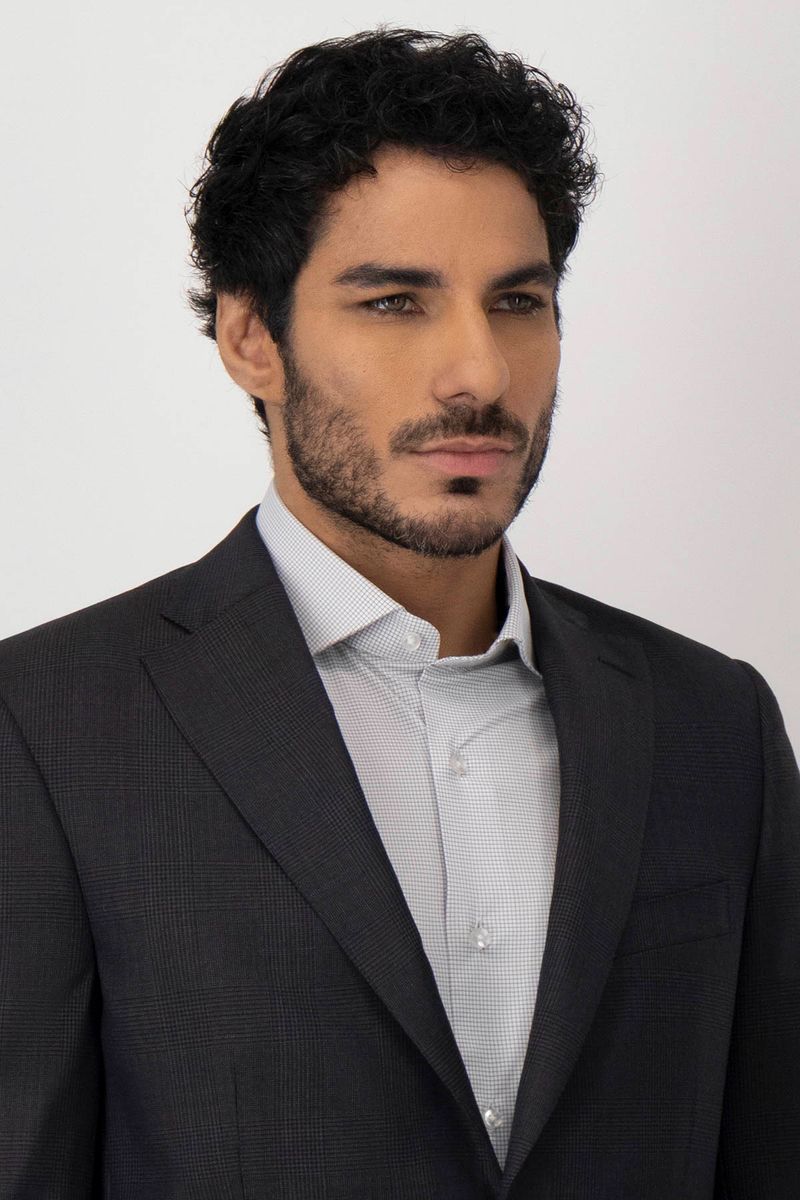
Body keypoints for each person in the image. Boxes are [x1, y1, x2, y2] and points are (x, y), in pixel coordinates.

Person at [0, 26, 797, 1200]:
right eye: (393, 302)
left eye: (516, 301)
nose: (478, 372)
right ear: (251, 338)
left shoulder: (712, 724)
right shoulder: (46, 728)